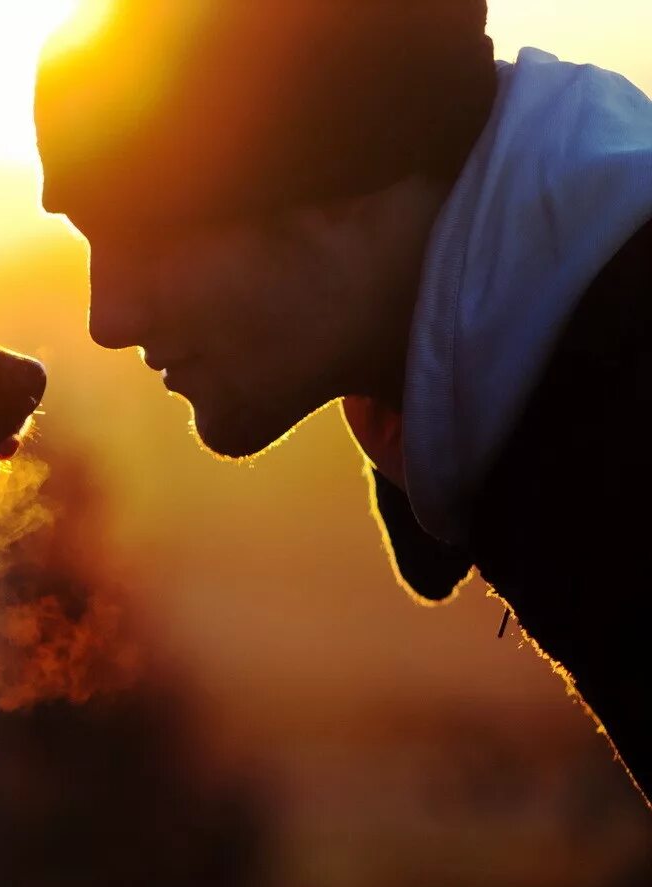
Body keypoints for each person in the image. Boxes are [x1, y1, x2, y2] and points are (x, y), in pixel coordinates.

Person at [33, 1, 652, 796]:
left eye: (148, 236)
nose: (107, 319)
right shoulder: (576, 394)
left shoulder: (625, 444)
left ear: (345, 175)